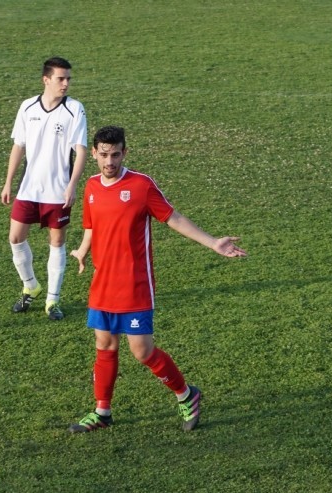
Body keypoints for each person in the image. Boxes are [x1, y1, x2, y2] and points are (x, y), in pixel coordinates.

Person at [68, 126, 247, 433]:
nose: (109, 161)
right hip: (102, 283)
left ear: (125, 152)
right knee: (104, 344)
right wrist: (83, 250)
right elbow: (91, 225)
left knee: (142, 351)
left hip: (135, 284)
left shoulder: (141, 185)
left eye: (116, 154)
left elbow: (173, 218)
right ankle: (102, 412)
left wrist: (212, 242)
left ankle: (187, 394)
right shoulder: (92, 186)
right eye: (104, 155)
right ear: (94, 154)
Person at [0, 56, 88, 320]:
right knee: (15, 238)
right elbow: (19, 146)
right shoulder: (27, 107)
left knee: (57, 243)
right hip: (28, 189)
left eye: (69, 79)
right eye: (61, 79)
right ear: (46, 79)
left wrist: (72, 185)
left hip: (58, 190)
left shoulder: (74, 109)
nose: (66, 84)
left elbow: (81, 151)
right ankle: (31, 285)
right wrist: (8, 182)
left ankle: (53, 300)